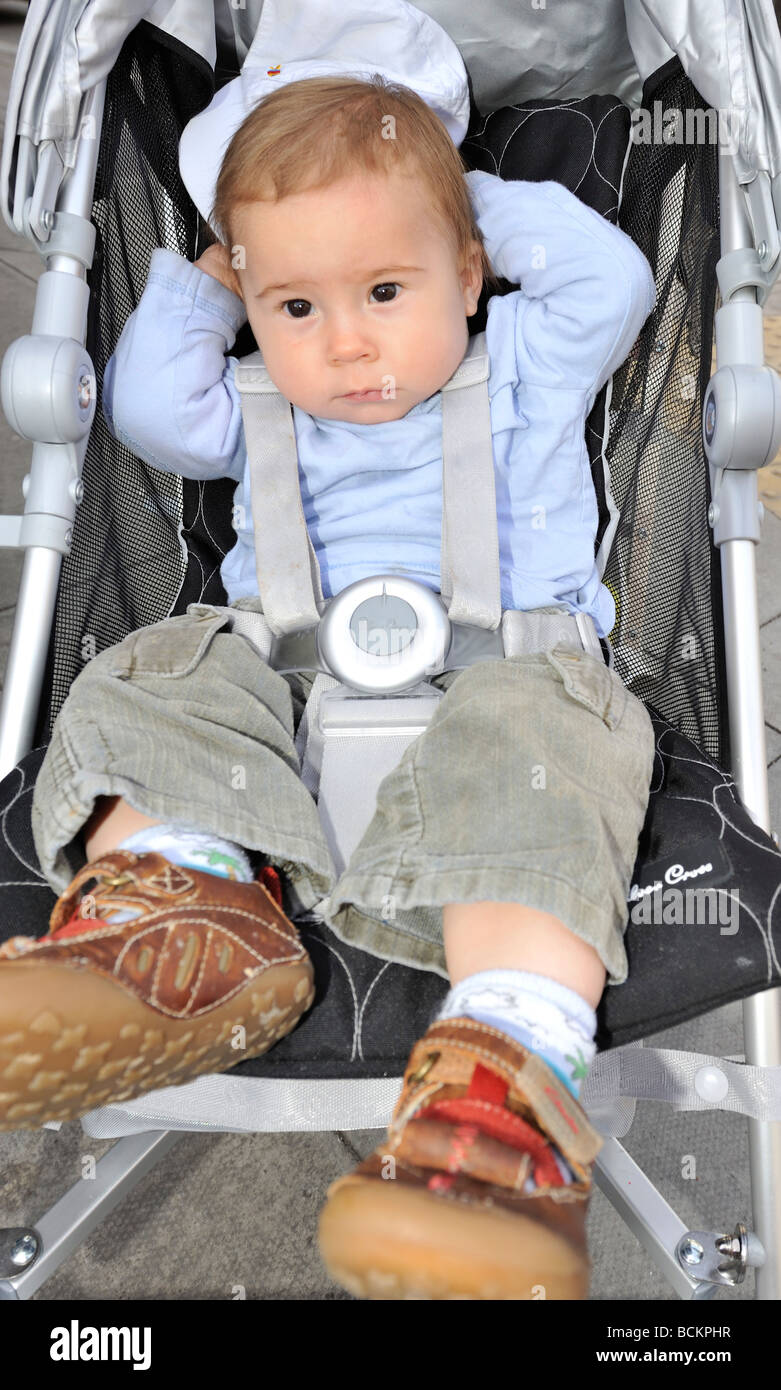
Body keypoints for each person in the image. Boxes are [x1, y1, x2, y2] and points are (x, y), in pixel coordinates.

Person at [0, 64, 656, 1299]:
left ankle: (500, 1085)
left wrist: (451, 200)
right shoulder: (264, 403)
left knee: (552, 737)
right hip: (275, 725)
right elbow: (144, 407)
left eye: (386, 289)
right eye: (296, 303)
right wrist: (217, 278)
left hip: (503, 700)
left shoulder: (526, 362)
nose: (345, 342)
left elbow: (609, 282)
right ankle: (178, 919)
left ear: (468, 275)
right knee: (162, 672)